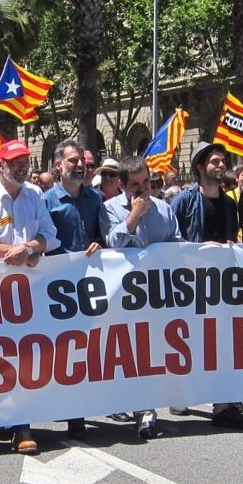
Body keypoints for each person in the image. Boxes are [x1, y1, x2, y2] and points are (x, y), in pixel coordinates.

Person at [0, 138, 58, 455]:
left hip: (31, 290)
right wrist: (16, 252)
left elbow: (50, 235)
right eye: (15, 161)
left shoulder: (35, 196)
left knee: (27, 353)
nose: (22, 167)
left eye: (25, 162)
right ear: (0, 165)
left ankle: (21, 425)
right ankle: (2, 418)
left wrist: (31, 249)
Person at [171, 141, 243, 428]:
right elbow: (172, 241)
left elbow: (232, 237)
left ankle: (223, 401)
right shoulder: (184, 200)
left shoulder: (230, 203)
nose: (221, 166)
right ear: (200, 167)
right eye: (215, 162)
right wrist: (199, 249)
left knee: (218, 340)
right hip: (190, 281)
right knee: (188, 339)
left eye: (223, 162)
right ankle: (181, 391)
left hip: (220, 282)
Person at [99, 155, 181, 438]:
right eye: (135, 185)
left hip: (158, 293)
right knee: (132, 353)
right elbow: (113, 243)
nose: (142, 189)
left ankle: (154, 402)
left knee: (156, 351)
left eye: (146, 182)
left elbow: (177, 244)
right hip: (125, 297)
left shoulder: (164, 209)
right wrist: (134, 215)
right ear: (122, 184)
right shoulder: (109, 208)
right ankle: (141, 408)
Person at [43, 139, 103, 439]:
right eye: (72, 161)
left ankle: (77, 414)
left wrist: (100, 244)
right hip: (56, 287)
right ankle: (63, 407)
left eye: (81, 161)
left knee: (84, 347)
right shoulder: (46, 202)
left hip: (89, 283)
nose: (79, 166)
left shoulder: (95, 199)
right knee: (61, 349)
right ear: (58, 166)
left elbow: (104, 237)